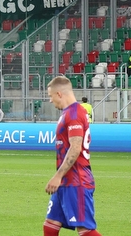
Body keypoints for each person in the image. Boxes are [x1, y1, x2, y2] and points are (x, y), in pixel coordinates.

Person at [44, 76, 102, 236]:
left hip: (77, 180)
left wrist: (58, 176)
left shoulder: (75, 113)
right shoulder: (68, 112)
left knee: (85, 230)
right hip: (68, 180)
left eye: (50, 96)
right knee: (50, 225)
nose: (50, 100)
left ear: (59, 94)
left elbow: (75, 148)